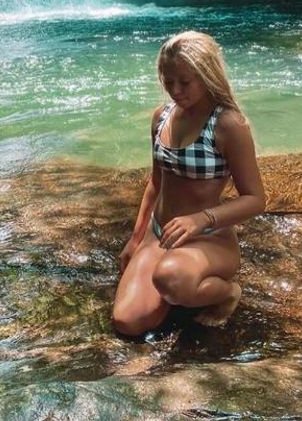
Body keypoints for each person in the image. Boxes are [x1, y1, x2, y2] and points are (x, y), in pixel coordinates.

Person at [112, 31, 265, 335]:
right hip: (160, 234)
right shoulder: (162, 117)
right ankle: (176, 288)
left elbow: (256, 199)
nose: (175, 90)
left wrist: (200, 220)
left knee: (171, 278)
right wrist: (137, 237)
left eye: (185, 82)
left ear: (207, 74)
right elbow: (156, 182)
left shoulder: (228, 124)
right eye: (168, 82)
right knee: (126, 323)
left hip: (207, 239)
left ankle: (226, 293)